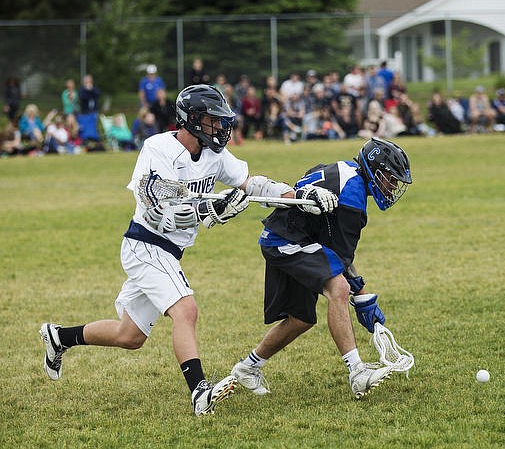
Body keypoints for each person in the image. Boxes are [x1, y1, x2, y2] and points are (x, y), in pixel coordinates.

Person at [39, 84, 337, 416]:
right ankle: (199, 391)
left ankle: (59, 337)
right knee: (186, 310)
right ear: (191, 120)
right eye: (213, 121)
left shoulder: (214, 154)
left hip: (170, 251)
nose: (221, 128)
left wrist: (300, 195)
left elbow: (251, 184)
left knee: (130, 335)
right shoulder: (157, 149)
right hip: (147, 243)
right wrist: (209, 211)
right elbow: (156, 210)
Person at [229, 137, 412, 399]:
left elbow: (308, 176)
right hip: (286, 240)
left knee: (301, 319)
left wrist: (360, 292)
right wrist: (361, 296)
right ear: (374, 170)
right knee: (338, 288)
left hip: (289, 236)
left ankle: (247, 368)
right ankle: (357, 373)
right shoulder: (353, 197)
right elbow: (342, 257)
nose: (393, 185)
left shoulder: (345, 169)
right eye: (390, 178)